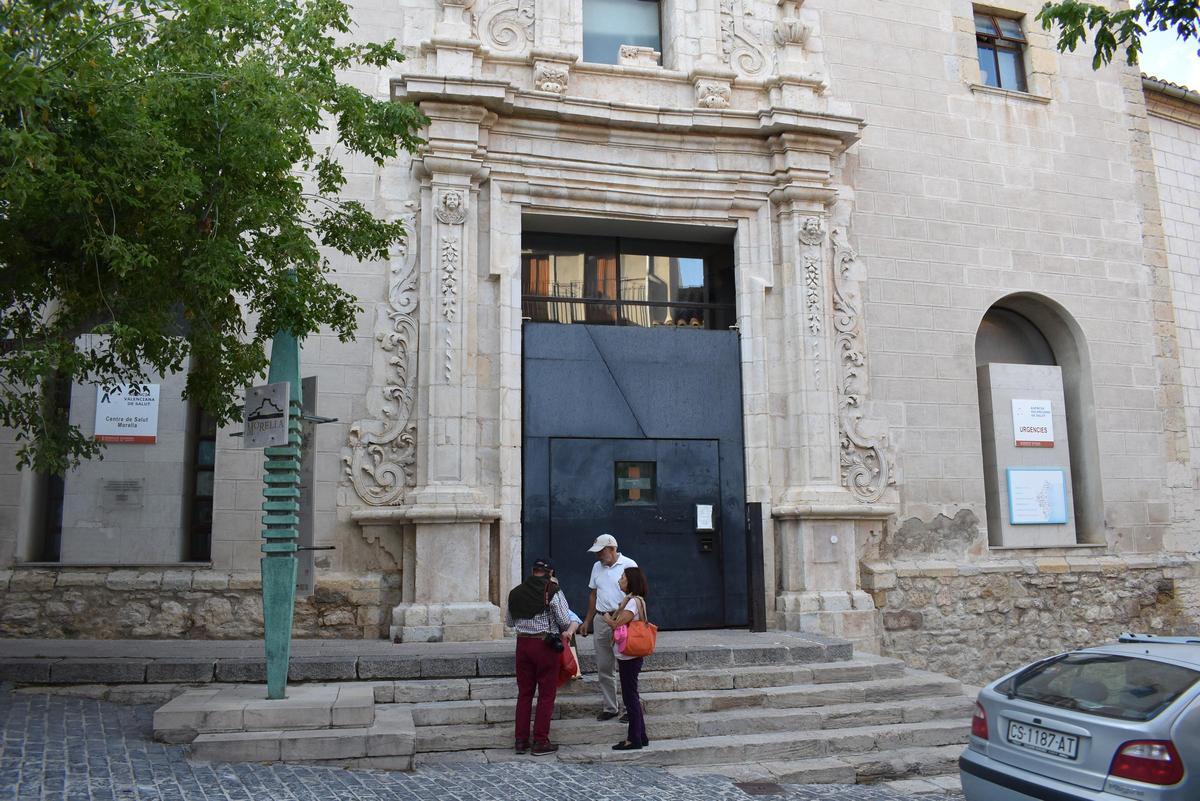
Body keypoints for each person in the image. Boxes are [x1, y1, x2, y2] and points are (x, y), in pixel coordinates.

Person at [506, 557, 578, 755]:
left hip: (522, 645)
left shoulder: (515, 592)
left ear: (532, 571)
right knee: (546, 694)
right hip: (545, 645)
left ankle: (520, 740)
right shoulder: (552, 591)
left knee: (524, 694)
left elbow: (509, 622)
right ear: (550, 573)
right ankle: (540, 741)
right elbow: (564, 621)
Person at [578, 534, 636, 721]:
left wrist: (627, 616)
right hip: (602, 618)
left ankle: (630, 708)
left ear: (612, 548)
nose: (598, 556)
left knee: (627, 667)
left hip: (623, 619)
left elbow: (636, 593)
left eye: (601, 551)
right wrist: (587, 620)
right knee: (604, 666)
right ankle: (610, 707)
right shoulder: (597, 567)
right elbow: (593, 594)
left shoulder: (629, 564)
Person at [603, 566, 650, 750]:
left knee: (630, 697)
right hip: (629, 655)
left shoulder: (632, 603)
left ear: (630, 580)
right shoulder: (632, 600)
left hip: (629, 656)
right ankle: (641, 735)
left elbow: (617, 624)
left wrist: (607, 618)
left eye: (622, 577)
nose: (620, 580)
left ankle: (633, 739)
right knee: (632, 695)